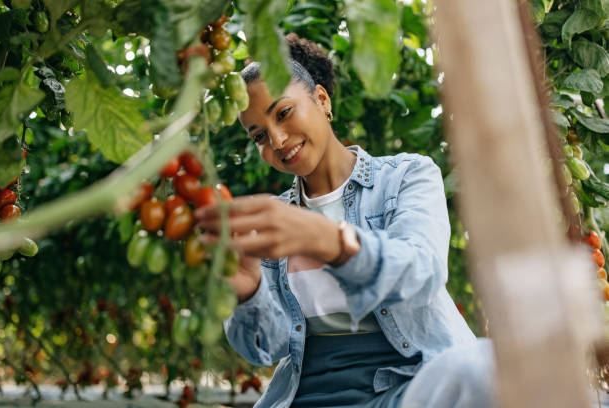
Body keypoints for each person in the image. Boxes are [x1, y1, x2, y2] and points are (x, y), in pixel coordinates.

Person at [195, 33, 498, 408]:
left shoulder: (406, 176)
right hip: (306, 398)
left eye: (283, 113)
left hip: (407, 391)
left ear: (321, 100)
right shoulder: (271, 221)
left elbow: (422, 271)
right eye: (258, 136)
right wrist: (247, 293)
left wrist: (331, 241)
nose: (275, 139)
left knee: (486, 366)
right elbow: (266, 350)